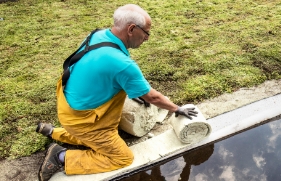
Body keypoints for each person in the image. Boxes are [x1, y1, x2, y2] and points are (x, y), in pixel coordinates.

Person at [36, 4, 198, 181]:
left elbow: (102, 73)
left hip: (68, 105)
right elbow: (152, 97)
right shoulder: (123, 64)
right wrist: (177, 109)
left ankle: (53, 132)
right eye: (146, 33)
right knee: (122, 157)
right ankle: (60, 157)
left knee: (106, 136)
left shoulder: (98, 35)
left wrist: (132, 91)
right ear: (131, 29)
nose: (147, 38)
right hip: (83, 120)